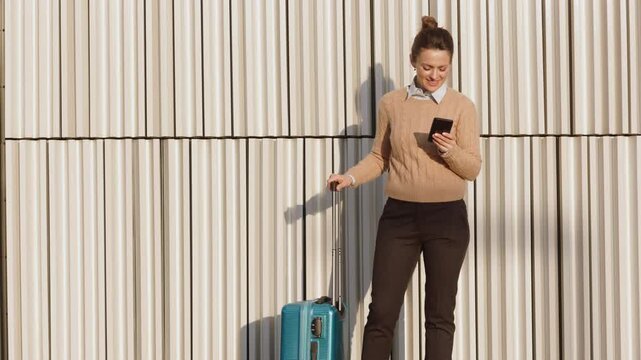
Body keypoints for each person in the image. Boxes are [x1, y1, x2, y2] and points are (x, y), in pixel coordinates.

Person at [326, 16, 481, 360]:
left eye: (443, 68)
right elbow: (378, 158)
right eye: (428, 67)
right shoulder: (392, 104)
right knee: (381, 312)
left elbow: (472, 168)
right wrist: (349, 177)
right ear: (413, 61)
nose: (435, 75)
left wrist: (449, 150)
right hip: (399, 217)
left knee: (440, 316)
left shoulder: (462, 107)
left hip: (447, 220)